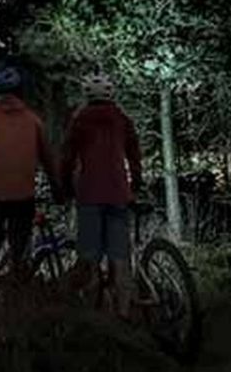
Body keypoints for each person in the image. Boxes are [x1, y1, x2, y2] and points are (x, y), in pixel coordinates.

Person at [60, 70, 143, 319]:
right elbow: (135, 155)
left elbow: (67, 159)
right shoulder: (121, 118)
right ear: (111, 94)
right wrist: (135, 184)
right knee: (120, 256)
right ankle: (124, 313)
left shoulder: (80, 119)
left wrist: (65, 188)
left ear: (87, 95)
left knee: (90, 257)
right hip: (118, 194)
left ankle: (93, 317)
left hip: (89, 196)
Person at [0, 65, 56, 289]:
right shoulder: (34, 121)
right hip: (23, 196)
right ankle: (16, 297)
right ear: (19, 91)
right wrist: (58, 188)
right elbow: (48, 160)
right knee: (20, 253)